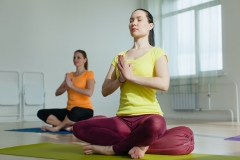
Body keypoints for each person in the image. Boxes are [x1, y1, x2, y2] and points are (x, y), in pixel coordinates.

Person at [73, 9, 194, 159]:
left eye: (139, 19)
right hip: (123, 120)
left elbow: (164, 83)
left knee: (157, 124)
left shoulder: (157, 53)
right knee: (78, 128)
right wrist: (121, 79)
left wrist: (131, 77)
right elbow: (104, 90)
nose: (133, 23)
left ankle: (113, 149)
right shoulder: (120, 57)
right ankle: (140, 143)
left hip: (149, 117)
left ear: (150, 25)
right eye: (131, 20)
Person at [37, 50, 95, 132]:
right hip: (69, 111)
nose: (76, 59)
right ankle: (66, 127)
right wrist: (66, 87)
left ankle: (57, 128)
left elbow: (89, 92)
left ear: (85, 60)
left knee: (75, 111)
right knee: (41, 113)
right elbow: (57, 93)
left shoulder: (89, 74)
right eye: (74, 57)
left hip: (85, 110)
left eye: (79, 57)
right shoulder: (70, 75)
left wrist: (72, 86)